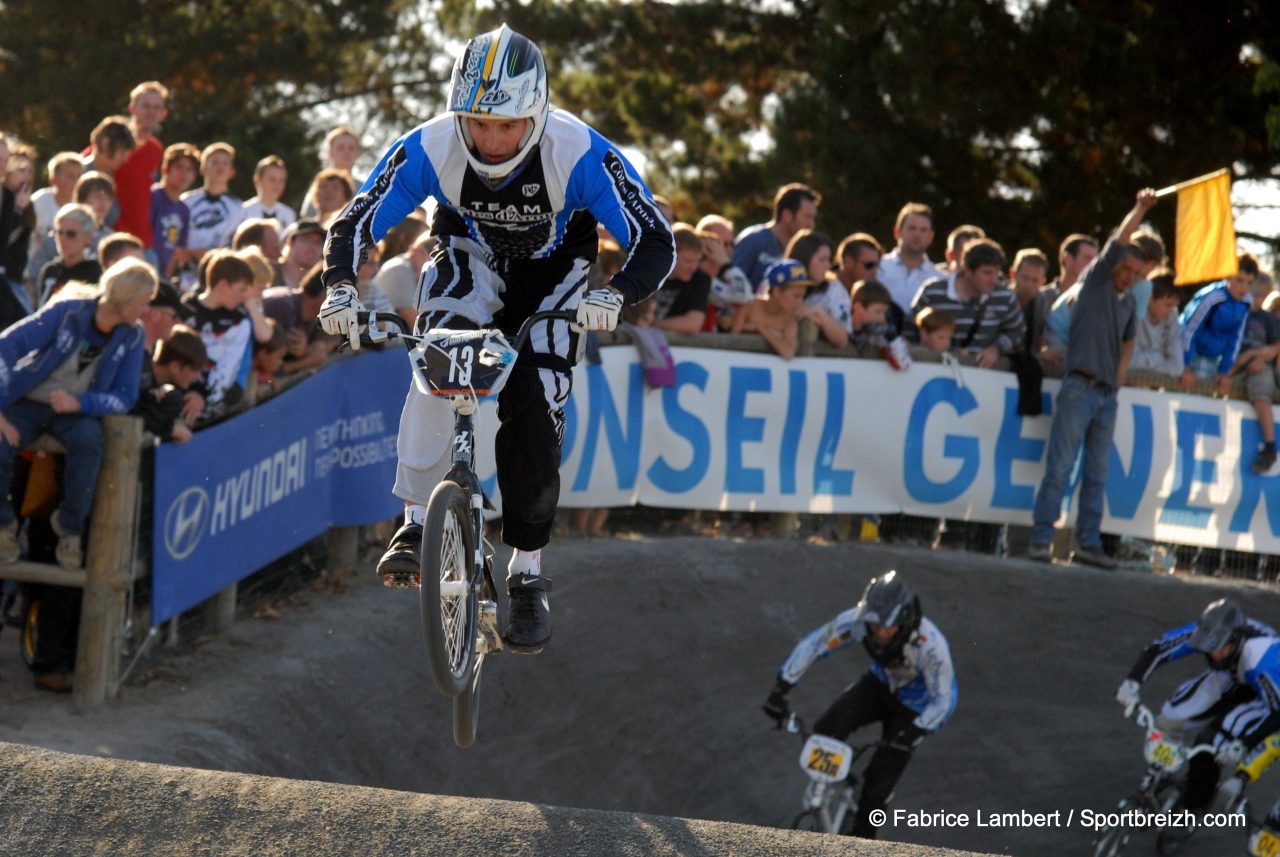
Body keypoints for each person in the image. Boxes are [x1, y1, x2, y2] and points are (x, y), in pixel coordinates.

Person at [317, 23, 675, 653]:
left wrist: (615, 294)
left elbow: (656, 238)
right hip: (468, 256)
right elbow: (356, 217)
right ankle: (417, 521)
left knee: (535, 405)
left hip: (556, 271)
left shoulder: (579, 149)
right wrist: (341, 285)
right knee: (438, 354)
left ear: (536, 112)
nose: (489, 140)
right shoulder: (430, 145)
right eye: (477, 123)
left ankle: (527, 572)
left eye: (507, 126)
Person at [763, 571, 957, 839]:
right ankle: (845, 778)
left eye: (885, 628)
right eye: (873, 627)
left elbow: (945, 698)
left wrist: (916, 730)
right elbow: (816, 643)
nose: (878, 635)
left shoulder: (931, 646)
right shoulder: (857, 621)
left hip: (917, 709)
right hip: (879, 685)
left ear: (903, 620)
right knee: (826, 729)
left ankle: (863, 841)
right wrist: (781, 687)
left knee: (878, 785)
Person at [1028, 189, 1155, 568]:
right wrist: (1141, 208)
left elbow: (1130, 336)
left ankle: (1086, 543)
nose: (1130, 278)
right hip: (1080, 385)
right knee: (1061, 467)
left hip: (1104, 394)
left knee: (1096, 473)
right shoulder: (1096, 283)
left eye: (1135, 273)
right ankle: (1041, 540)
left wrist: (1119, 374)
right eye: (1125, 270)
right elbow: (1119, 241)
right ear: (1112, 267)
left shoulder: (1129, 300)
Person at [0, 257, 153, 569]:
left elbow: (125, 397)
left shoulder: (134, 336)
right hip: (27, 404)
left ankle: (69, 530)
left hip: (75, 413)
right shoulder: (68, 311)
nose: (146, 311)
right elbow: (7, 345)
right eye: (143, 302)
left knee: (89, 442)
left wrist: (80, 404)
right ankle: (3, 528)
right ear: (124, 296)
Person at [1114, 598, 1280, 854]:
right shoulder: (1209, 629)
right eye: (1208, 648)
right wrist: (1132, 682)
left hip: (1266, 694)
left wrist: (1244, 745)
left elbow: (1278, 711)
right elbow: (1159, 648)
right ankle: (1162, 771)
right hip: (1233, 674)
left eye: (1218, 649)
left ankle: (1191, 808)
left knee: (1210, 743)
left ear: (1234, 640)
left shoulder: (1263, 657)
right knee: (1170, 717)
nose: (1212, 654)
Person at [1179, 253, 1267, 469]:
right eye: (1239, 280)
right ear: (1228, 277)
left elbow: (1235, 338)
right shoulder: (1212, 297)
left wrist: (1225, 369)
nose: (1243, 287)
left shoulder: (1245, 302)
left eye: (1248, 282)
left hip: (1212, 358)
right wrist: (1186, 365)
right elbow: (1190, 330)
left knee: (1209, 403)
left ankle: (1200, 462)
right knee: (1189, 401)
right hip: (1191, 353)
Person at [909, 239, 1025, 368]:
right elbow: (909, 329)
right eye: (987, 273)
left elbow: (1018, 331)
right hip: (933, 371)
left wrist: (997, 349)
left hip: (982, 376)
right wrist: (922, 350)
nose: (993, 280)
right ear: (967, 271)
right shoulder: (933, 292)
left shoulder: (1005, 298)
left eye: (996, 273)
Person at [730, 183, 820, 289]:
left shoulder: (804, 250)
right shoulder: (754, 240)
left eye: (813, 218)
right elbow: (731, 284)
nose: (811, 224)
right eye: (807, 217)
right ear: (787, 215)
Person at [112, 81, 170, 247]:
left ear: (163, 114)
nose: (151, 112)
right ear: (133, 108)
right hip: (114, 237)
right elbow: (86, 167)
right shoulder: (115, 140)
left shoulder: (156, 149)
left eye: (156, 107)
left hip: (144, 240)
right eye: (146, 105)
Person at [179, 143, 243, 288]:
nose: (220, 167)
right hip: (186, 275)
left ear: (232, 171)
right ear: (203, 168)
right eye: (214, 162)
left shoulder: (238, 207)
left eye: (225, 163)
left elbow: (236, 243)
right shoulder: (186, 201)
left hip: (221, 277)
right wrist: (192, 253)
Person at [878, 202, 943, 316]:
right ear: (897, 232)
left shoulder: (940, 279)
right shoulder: (877, 268)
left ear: (930, 236)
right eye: (912, 228)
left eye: (923, 230)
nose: (917, 234)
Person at [150, 142, 198, 279]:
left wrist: (166, 278)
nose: (184, 174)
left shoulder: (184, 210)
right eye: (179, 167)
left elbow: (177, 250)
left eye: (189, 169)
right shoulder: (153, 197)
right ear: (165, 169)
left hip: (162, 275)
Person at [652, 224, 710, 335]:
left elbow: (693, 324)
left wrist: (652, 324)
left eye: (697, 261)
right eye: (688, 261)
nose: (694, 267)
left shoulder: (699, 279)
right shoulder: (647, 272)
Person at [1128, 270, 1183, 377]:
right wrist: (1158, 357)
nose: (1172, 310)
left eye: (1174, 306)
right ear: (1149, 299)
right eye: (1168, 305)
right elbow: (1128, 361)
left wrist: (1145, 362)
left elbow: (1177, 368)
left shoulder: (1172, 315)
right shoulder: (1134, 313)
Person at [240, 155, 296, 229]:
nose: (277, 185)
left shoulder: (289, 214)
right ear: (257, 180)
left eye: (281, 180)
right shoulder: (243, 212)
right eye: (272, 179)